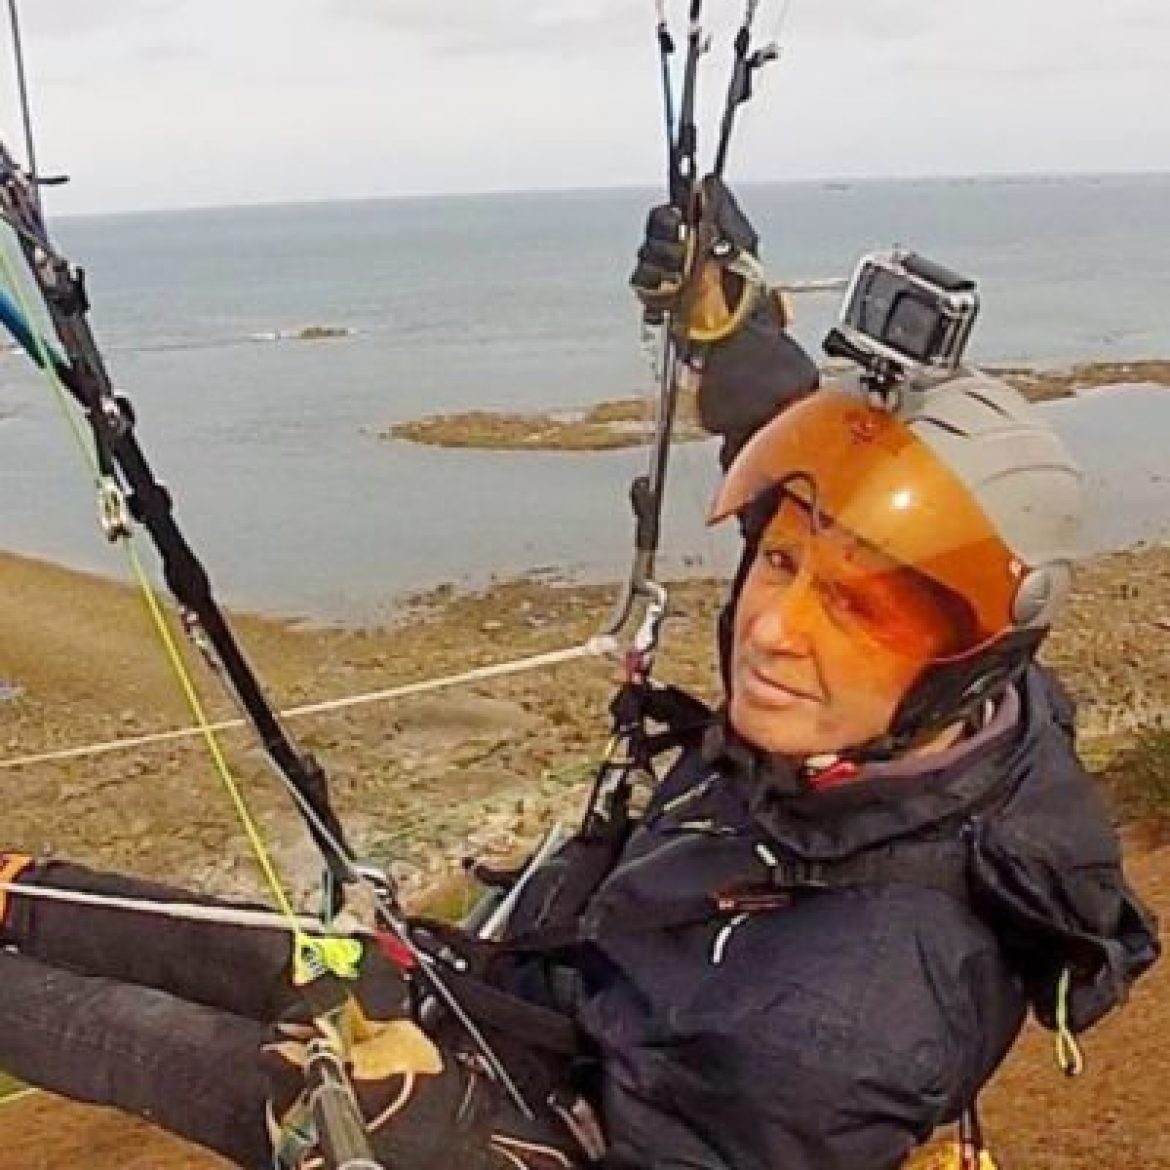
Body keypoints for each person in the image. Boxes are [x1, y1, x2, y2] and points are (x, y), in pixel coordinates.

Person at [0, 183, 1158, 1170]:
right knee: (255, 946)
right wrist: (733, 330)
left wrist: (433, 1117)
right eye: (783, 564)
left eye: (854, 608)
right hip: (544, 985)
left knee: (165, 1046)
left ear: (967, 657)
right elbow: (810, 477)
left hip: (543, 1110)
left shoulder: (834, 1023)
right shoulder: (962, 724)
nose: (774, 629)